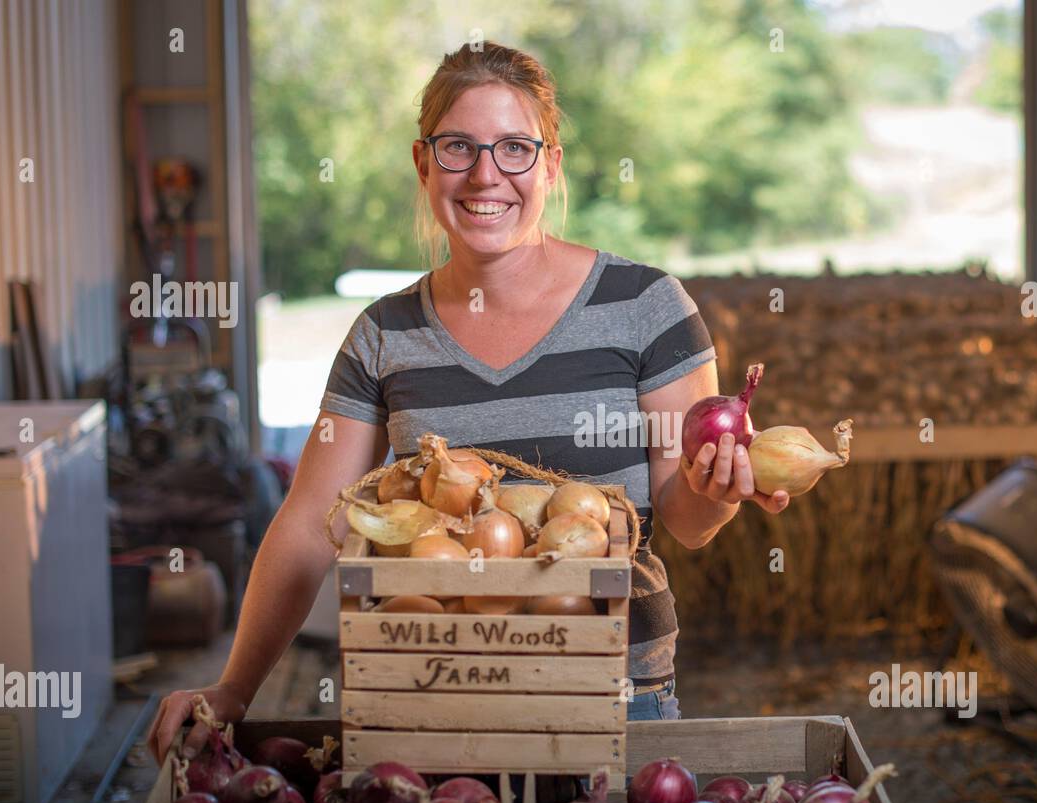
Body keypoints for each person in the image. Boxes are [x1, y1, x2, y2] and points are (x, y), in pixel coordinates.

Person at [147, 40, 789, 763]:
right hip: (430, 696)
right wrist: (236, 688)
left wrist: (717, 492)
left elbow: (688, 520)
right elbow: (307, 523)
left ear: (551, 163)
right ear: (424, 164)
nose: (486, 175)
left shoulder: (646, 308)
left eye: (515, 148)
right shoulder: (383, 335)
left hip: (615, 698)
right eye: (459, 147)